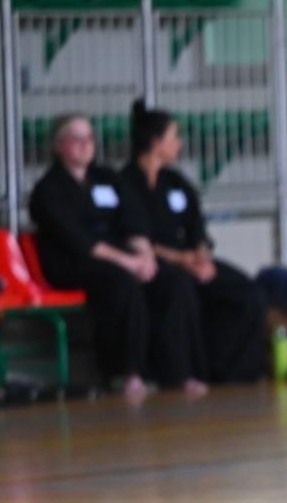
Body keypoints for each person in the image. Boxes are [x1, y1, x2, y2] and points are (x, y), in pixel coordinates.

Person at [28, 114, 207, 400]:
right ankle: (127, 373)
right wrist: (129, 262)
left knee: (174, 281)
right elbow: (80, 241)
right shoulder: (48, 190)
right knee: (122, 282)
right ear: (60, 145)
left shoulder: (107, 179)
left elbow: (134, 221)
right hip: (74, 263)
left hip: (124, 258)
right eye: (77, 139)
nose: (85, 145)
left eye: (89, 138)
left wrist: (145, 256)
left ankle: (178, 371)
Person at [118, 100, 269, 383]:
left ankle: (231, 371)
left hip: (189, 261)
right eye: (174, 137)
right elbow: (134, 236)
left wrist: (201, 255)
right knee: (180, 288)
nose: (180, 144)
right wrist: (179, 259)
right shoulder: (124, 183)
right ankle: (182, 373)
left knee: (248, 293)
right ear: (155, 142)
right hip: (153, 264)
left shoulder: (176, 182)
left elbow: (197, 226)